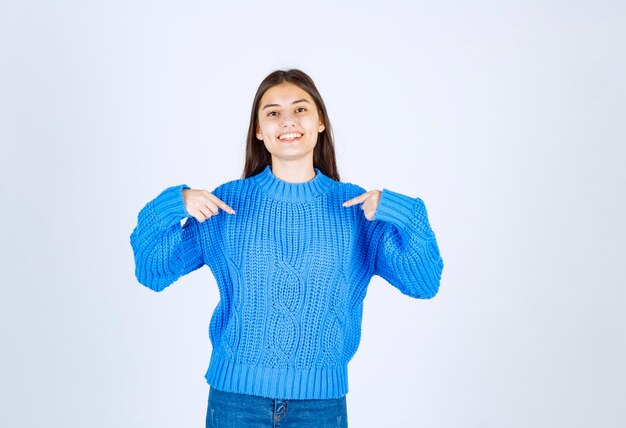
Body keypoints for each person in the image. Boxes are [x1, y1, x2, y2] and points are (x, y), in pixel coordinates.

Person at [130, 68, 444, 427]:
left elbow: (423, 283)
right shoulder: (227, 202)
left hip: (320, 407)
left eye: (300, 109)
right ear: (259, 131)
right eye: (273, 113)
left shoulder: (356, 209)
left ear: (320, 122)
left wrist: (405, 211)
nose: (288, 121)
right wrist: (174, 203)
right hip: (235, 402)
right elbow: (152, 271)